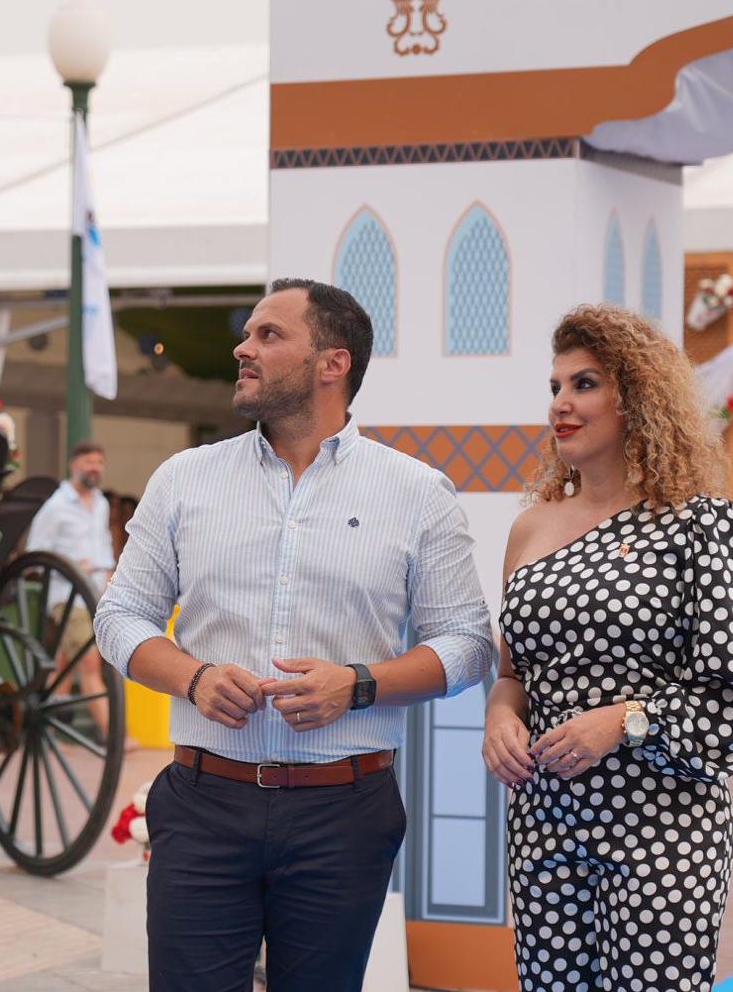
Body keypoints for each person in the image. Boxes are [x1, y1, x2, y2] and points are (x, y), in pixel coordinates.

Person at [95, 278, 494, 992]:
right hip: (203, 801)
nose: (243, 348)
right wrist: (194, 675)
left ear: (332, 363)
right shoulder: (185, 479)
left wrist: (359, 683)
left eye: (269, 334)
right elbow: (119, 615)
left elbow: (467, 643)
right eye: (248, 333)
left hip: (345, 812)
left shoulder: (416, 491)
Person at [483, 305, 733, 992]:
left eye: (583, 384)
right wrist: (500, 715)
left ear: (637, 396)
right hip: (544, 823)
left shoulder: (701, 524)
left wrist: (622, 720)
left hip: (662, 825)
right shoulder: (531, 528)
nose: (562, 403)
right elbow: (511, 669)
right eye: (555, 387)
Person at [26, 440, 117, 737]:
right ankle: (113, 733)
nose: (95, 468)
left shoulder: (101, 503)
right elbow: (35, 554)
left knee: (63, 663)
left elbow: (103, 545)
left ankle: (49, 728)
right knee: (89, 661)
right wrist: (72, 563)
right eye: (89, 462)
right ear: (73, 464)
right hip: (67, 595)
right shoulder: (56, 506)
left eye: (99, 462)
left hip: (98, 595)